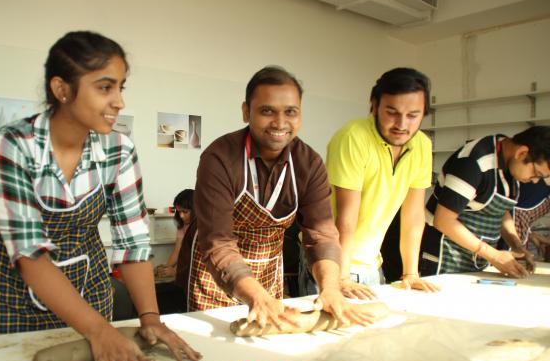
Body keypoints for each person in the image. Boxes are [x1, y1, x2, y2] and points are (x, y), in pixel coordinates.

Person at [0, 31, 200, 361]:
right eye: (105, 87)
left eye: (121, 87)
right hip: (13, 293)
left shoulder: (119, 150)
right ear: (62, 89)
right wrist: (98, 331)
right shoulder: (14, 144)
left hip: (88, 284)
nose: (119, 101)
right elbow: (30, 253)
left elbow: (132, 243)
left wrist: (151, 318)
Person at [187, 66, 375, 328]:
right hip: (217, 273)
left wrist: (330, 288)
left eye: (290, 112)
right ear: (246, 112)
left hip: (269, 270)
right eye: (267, 111)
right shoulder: (220, 158)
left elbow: (321, 235)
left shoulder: (308, 163)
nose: (280, 122)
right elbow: (218, 242)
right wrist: (255, 295)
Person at [321, 68, 439, 299]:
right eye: (392, 112)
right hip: (331, 261)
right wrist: (341, 278)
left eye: (413, 115)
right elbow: (346, 219)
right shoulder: (353, 137)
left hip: (371, 263)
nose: (401, 124)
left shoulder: (422, 145)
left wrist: (411, 274)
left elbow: (414, 215)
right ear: (374, 105)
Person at [420, 125, 550, 277]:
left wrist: (517, 246)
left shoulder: (510, 166)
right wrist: (493, 256)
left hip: (475, 260)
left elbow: (499, 211)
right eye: (536, 173)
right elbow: (443, 220)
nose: (535, 181)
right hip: (442, 257)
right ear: (521, 153)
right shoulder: (474, 162)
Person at [154, 189, 195, 314]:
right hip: (185, 270)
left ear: (196, 209)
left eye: (185, 212)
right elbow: (177, 250)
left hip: (195, 273)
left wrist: (176, 271)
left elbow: (195, 258)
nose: (181, 216)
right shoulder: (182, 226)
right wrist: (166, 268)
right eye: (179, 211)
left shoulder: (202, 226)